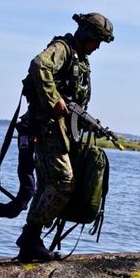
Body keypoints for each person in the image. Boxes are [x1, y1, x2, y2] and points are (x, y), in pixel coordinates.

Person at [14, 13, 115, 262]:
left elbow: (74, 100)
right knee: (63, 182)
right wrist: (53, 99)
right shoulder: (62, 49)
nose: (98, 47)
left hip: (60, 132)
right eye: (97, 41)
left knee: (50, 184)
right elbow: (39, 64)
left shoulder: (79, 59)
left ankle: (31, 242)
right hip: (47, 129)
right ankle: (30, 238)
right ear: (88, 35)